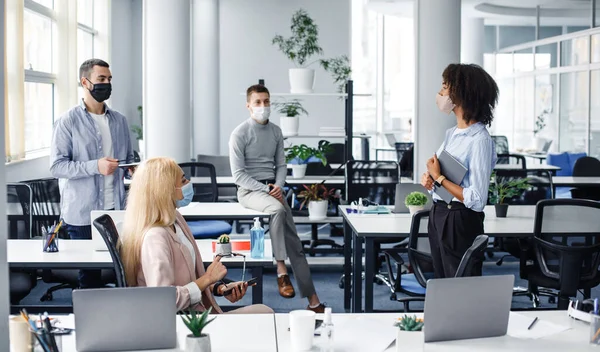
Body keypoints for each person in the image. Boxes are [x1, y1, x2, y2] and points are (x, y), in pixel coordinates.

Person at [120, 157, 273, 314]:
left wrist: (219, 288)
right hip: (186, 324)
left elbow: (187, 277)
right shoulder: (155, 238)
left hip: (197, 313)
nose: (189, 183)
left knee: (264, 312)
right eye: (184, 180)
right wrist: (208, 278)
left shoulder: (175, 218)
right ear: (165, 189)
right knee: (265, 312)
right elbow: (163, 301)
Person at [229, 84, 325, 313]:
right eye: (258, 102)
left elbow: (281, 165)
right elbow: (238, 175)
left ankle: (314, 302)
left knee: (296, 245)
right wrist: (266, 189)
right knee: (278, 210)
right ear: (248, 106)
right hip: (249, 190)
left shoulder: (275, 132)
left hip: (273, 190)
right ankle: (281, 269)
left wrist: (278, 186)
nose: (263, 106)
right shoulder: (239, 134)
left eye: (266, 101)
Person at [50, 59, 134, 288]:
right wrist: (94, 166)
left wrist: (133, 168)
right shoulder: (67, 121)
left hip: (115, 210)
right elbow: (57, 166)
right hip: (82, 213)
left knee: (124, 272)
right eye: (101, 79)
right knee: (90, 277)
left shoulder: (119, 121)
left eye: (109, 79)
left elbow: (127, 159)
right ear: (85, 82)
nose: (107, 84)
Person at [420, 63, 499, 278]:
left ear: (462, 92)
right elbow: (443, 180)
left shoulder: (479, 139)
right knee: (443, 283)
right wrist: (431, 182)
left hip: (460, 220)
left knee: (460, 286)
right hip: (440, 214)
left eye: (446, 86)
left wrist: (439, 178)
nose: (441, 93)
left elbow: (477, 198)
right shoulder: (453, 134)